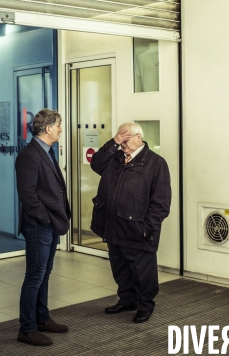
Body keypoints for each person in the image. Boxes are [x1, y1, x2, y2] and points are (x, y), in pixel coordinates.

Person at [90, 121, 171, 323]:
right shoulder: (115, 158)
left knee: (143, 273)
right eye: (120, 138)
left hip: (138, 229)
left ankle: (145, 306)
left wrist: (147, 228)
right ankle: (127, 300)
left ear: (138, 137)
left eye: (126, 138)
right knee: (120, 268)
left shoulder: (156, 163)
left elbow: (161, 202)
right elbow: (96, 163)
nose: (123, 143)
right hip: (113, 226)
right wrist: (113, 142)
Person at [15, 108, 71, 347]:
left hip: (51, 223)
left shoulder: (46, 152)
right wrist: (45, 218)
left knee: (44, 273)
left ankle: (42, 318)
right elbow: (27, 195)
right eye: (58, 125)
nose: (60, 129)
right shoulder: (29, 155)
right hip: (39, 225)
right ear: (48, 128)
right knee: (35, 276)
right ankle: (27, 329)